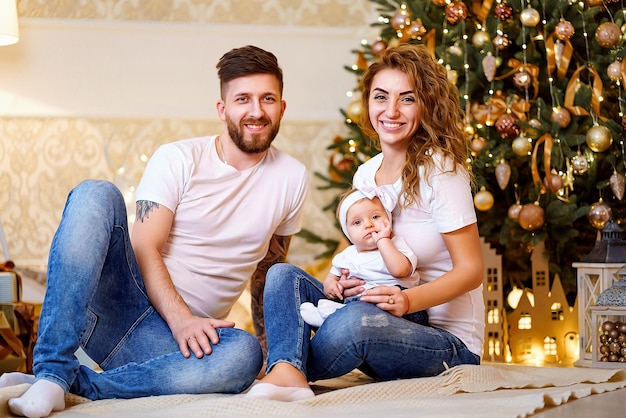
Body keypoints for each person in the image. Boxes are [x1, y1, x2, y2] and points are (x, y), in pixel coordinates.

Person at [0, 44, 309, 417]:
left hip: (179, 347)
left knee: (243, 354)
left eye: (267, 99)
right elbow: (144, 245)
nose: (256, 111)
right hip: (119, 309)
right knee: (95, 192)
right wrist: (181, 319)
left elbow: (269, 267)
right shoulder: (179, 158)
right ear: (222, 108)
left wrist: (270, 353)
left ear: (282, 107)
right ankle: (51, 369)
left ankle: (69, 385)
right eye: (243, 98)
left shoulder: (293, 178)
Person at [246, 43, 484, 402]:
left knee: (355, 322)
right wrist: (337, 280)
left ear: (426, 104)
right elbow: (364, 241)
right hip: (374, 312)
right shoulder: (367, 172)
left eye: (407, 99)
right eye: (380, 97)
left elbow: (472, 270)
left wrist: (407, 302)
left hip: (443, 342)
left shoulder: (441, 170)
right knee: (283, 277)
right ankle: (288, 371)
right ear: (368, 102)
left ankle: (283, 367)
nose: (391, 111)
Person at [299, 188, 428, 327]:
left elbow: (400, 271)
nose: (368, 224)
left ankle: (335, 315)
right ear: (347, 232)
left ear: (388, 219)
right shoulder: (347, 256)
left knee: (365, 303)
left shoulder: (396, 244)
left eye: (375, 217)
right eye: (357, 222)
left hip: (402, 308)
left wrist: (383, 240)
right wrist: (331, 287)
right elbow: (332, 277)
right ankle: (338, 314)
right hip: (361, 305)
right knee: (360, 302)